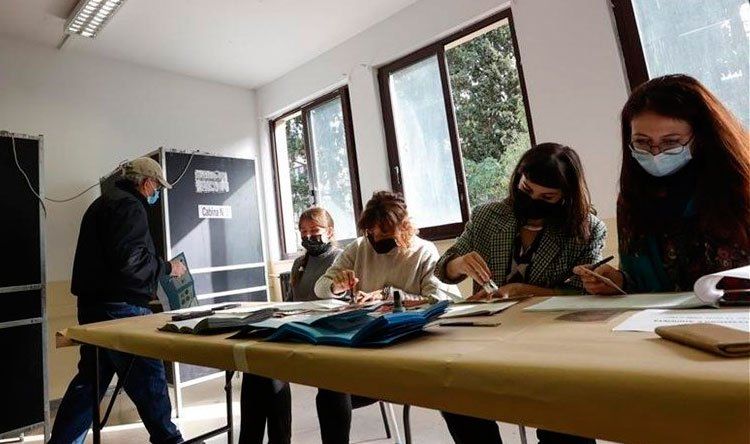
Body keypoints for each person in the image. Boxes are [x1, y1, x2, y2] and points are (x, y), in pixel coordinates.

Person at [434, 143, 606, 444]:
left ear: (566, 195)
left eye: (547, 197)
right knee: (453, 393)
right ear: (518, 179)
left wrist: (527, 292)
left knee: (564, 414)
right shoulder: (488, 217)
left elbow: (583, 293)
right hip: (487, 338)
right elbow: (442, 270)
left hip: (553, 343)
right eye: (527, 190)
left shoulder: (585, 230)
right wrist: (459, 263)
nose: (533, 200)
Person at [49, 158, 186, 444]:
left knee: (91, 382)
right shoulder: (130, 206)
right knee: (149, 375)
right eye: (157, 187)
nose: (156, 193)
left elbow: (117, 260)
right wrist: (166, 267)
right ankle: (169, 440)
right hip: (121, 309)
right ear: (146, 182)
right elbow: (130, 263)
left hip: (93, 306)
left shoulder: (102, 203)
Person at [575, 74, 750, 295]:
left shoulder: (740, 188)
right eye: (642, 142)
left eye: (671, 142)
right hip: (663, 315)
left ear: (701, 138)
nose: (655, 153)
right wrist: (618, 281)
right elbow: (641, 282)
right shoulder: (633, 199)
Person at [312, 191, 448, 444]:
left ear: (404, 227)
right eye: (371, 234)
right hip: (365, 343)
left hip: (408, 346)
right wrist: (336, 286)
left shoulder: (424, 251)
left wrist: (389, 295)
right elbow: (320, 287)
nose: (375, 241)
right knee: (330, 386)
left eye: (384, 235)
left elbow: (439, 300)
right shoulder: (359, 248)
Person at [239, 207, 341, 444]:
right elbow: (289, 304)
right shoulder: (299, 264)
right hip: (298, 330)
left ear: (330, 231)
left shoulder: (340, 258)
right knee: (256, 367)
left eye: (314, 230)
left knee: (271, 368)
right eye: (303, 232)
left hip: (326, 334)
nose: (308, 236)